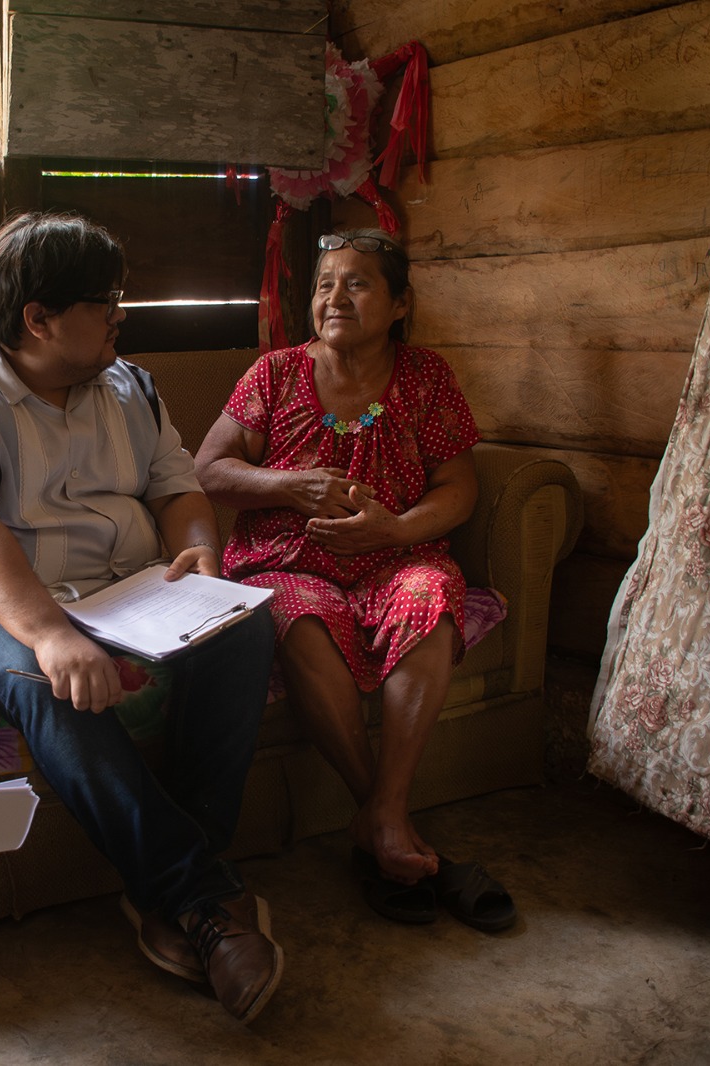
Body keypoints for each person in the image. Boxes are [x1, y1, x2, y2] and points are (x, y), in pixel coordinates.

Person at [0, 212, 284, 1022]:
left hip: (124, 587)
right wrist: (49, 636)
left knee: (244, 626)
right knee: (44, 679)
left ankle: (173, 882)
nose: (120, 316)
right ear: (39, 318)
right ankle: (200, 897)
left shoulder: (131, 386)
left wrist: (201, 560)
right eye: (104, 301)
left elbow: (178, 489)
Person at [194, 229, 516, 932]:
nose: (335, 297)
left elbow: (458, 486)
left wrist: (394, 531)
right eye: (324, 284)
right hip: (288, 560)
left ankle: (382, 817)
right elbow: (209, 470)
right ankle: (388, 820)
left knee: (430, 592)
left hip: (394, 555)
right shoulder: (274, 374)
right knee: (294, 612)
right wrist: (292, 485)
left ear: (400, 304)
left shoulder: (426, 377)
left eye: (358, 283)